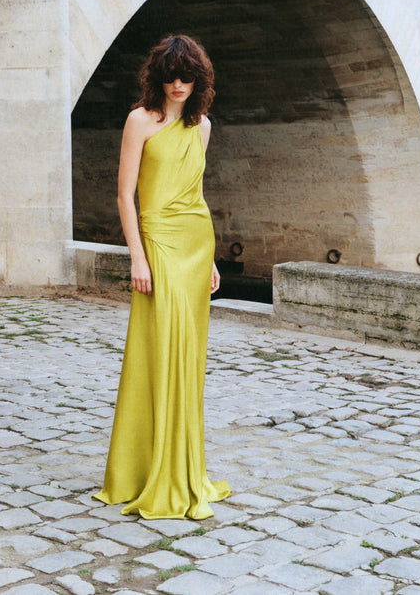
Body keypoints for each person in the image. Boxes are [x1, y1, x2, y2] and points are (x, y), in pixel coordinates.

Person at [91, 34, 233, 520]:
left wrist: (210, 259)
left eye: (187, 77)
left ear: (198, 80)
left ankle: (183, 465)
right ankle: (144, 468)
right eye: (171, 76)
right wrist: (137, 257)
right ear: (158, 77)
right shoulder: (140, 120)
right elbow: (124, 195)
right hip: (157, 242)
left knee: (188, 355)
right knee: (157, 349)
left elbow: (195, 193)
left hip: (195, 243)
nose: (178, 85)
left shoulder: (203, 126)